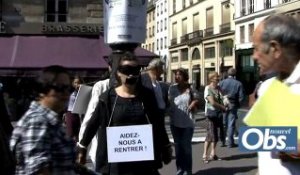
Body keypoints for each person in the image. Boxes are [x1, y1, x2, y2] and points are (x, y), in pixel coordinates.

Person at [77, 52, 172, 175]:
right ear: (118, 73)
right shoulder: (107, 98)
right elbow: (93, 124)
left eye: (135, 69)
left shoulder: (147, 96)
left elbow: (158, 123)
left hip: (143, 162)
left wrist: (166, 146)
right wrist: (82, 148)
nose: (131, 74)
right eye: (126, 70)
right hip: (116, 164)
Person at [251, 14, 300, 175]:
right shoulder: (266, 88)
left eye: (257, 49)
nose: (254, 56)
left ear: (276, 49)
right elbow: (262, 149)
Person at [10, 65, 76, 175]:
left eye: (69, 88)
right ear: (42, 90)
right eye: (59, 87)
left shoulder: (51, 121)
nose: (66, 93)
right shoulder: (37, 121)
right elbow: (39, 171)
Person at [78, 63, 111, 167]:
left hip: (104, 146)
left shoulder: (101, 85)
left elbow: (91, 115)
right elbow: (91, 116)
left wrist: (82, 146)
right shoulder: (101, 86)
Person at [168, 68, 199, 175]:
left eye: (179, 75)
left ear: (184, 76)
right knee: (178, 148)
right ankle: (180, 169)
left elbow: (197, 98)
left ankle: (188, 170)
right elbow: (168, 101)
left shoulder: (190, 88)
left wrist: (192, 103)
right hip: (174, 122)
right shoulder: (171, 88)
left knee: (186, 148)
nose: (177, 77)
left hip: (187, 122)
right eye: (175, 75)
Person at [202, 72, 226, 164]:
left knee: (216, 134)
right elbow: (212, 102)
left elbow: (223, 98)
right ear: (211, 78)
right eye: (216, 77)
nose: (218, 78)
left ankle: (213, 153)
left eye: (218, 77)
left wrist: (225, 102)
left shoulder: (219, 88)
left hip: (218, 114)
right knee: (210, 134)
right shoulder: (208, 88)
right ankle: (205, 155)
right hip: (211, 114)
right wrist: (223, 107)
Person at [219, 68, 244, 148]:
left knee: (223, 123)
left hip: (223, 104)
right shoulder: (238, 83)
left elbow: (218, 94)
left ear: (227, 74)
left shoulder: (222, 83)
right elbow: (241, 97)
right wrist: (239, 104)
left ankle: (222, 141)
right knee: (231, 123)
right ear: (235, 75)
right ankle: (230, 142)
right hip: (233, 104)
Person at [65, 75, 84, 141]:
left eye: (79, 82)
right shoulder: (70, 91)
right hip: (71, 113)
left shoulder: (83, 92)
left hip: (80, 113)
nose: (77, 84)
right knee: (70, 133)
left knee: (78, 134)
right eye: (75, 82)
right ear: (72, 83)